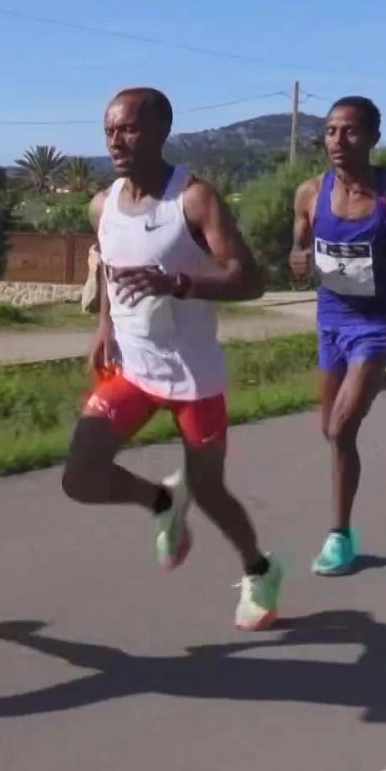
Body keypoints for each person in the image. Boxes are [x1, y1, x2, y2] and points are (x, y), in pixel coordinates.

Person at [65, 86, 284, 632]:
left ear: (161, 132)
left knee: (209, 491)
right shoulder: (102, 205)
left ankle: (260, 570)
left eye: (129, 129)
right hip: (134, 371)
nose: (116, 140)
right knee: (80, 476)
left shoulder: (193, 200)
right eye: (109, 130)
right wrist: (104, 326)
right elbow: (112, 272)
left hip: (193, 377)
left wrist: (179, 282)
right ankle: (162, 501)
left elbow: (250, 280)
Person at [289, 96, 386, 576]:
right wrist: (297, 257)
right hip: (330, 320)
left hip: (377, 324)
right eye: (331, 131)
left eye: (350, 131)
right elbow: (299, 239)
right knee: (328, 432)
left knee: (340, 429)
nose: (337, 140)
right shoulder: (311, 192)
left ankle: (340, 537)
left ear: (373, 138)